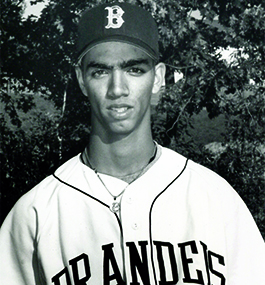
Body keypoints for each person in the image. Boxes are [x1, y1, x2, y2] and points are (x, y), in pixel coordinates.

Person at [0, 2, 264, 284]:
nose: (117, 89)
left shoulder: (215, 199)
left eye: (134, 70)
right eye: (100, 71)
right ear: (81, 79)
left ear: (158, 77)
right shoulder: (35, 215)